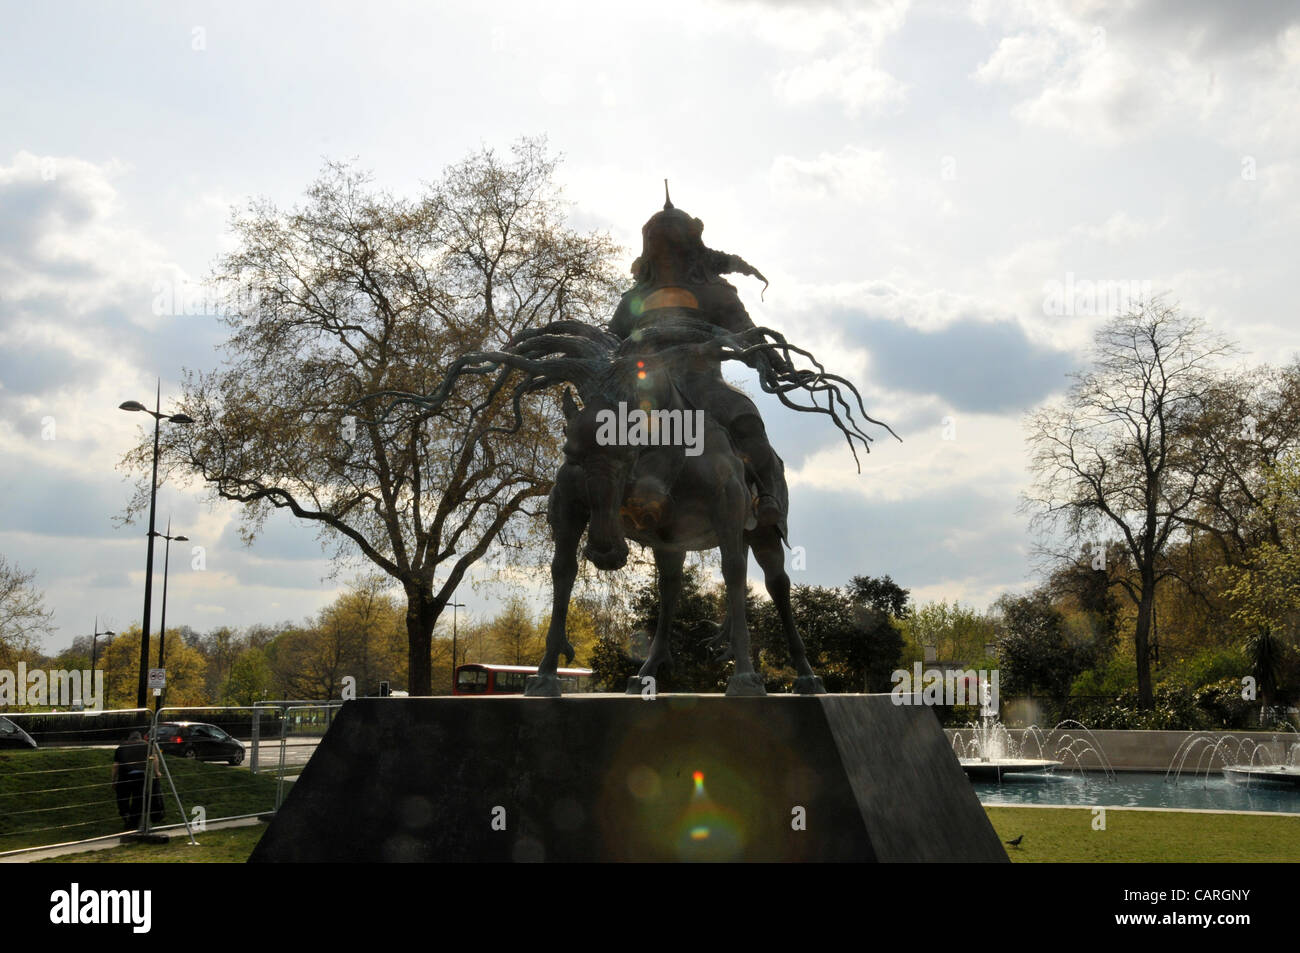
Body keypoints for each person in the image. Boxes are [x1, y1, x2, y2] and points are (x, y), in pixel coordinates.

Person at [609, 186, 789, 526]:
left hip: (705, 385)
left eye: (672, 244)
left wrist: (770, 359)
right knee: (595, 433)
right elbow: (610, 342)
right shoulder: (634, 298)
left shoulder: (715, 292)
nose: (667, 253)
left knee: (746, 420)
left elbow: (745, 334)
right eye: (659, 244)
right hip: (644, 390)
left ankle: (765, 495)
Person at [111, 730, 162, 831]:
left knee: (122, 799)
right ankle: (133, 822)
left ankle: (125, 814)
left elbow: (116, 765)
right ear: (140, 738)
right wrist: (157, 772)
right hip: (140, 776)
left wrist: (113, 780)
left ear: (130, 738)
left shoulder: (121, 747)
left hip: (124, 777)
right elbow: (155, 758)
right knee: (138, 800)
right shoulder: (146, 746)